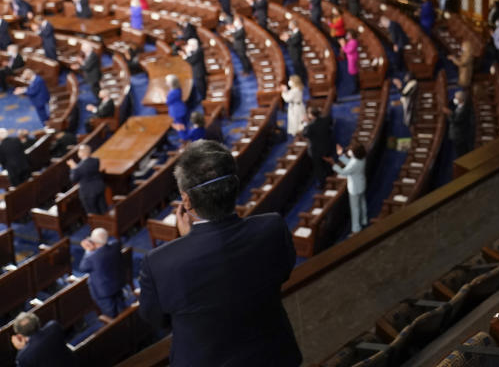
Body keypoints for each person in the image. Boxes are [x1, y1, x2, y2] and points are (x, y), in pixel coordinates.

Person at [138, 140, 302, 366]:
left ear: (186, 200)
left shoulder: (159, 263)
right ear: (235, 186)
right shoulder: (273, 228)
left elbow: (156, 319)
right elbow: (282, 272)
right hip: (274, 356)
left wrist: (189, 241)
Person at [78, 227, 125, 317]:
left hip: (104, 292)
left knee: (111, 315)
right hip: (118, 284)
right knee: (122, 307)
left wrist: (88, 250)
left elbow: (82, 267)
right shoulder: (116, 245)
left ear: (94, 242)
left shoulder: (91, 258)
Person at [10, 312, 76, 367]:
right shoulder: (54, 327)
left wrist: (21, 349)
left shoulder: (23, 356)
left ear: (20, 335)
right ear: (38, 322)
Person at [329, 144, 367, 233]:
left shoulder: (354, 163)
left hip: (354, 188)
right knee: (362, 203)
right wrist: (341, 155)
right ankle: (364, 220)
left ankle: (356, 228)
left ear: (355, 153)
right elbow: (351, 163)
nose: (349, 151)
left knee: (355, 208)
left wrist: (333, 164)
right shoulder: (362, 158)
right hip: (361, 184)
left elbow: (344, 172)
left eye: (351, 151)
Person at [303, 106, 334, 185]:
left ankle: (322, 183)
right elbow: (330, 121)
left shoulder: (310, 126)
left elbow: (305, 134)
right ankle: (331, 177)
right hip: (327, 146)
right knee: (328, 164)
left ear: (311, 115)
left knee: (318, 168)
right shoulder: (326, 119)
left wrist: (306, 123)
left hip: (316, 151)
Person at [446, 90, 474, 158]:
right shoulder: (460, 106)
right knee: (459, 152)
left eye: (456, 98)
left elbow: (456, 120)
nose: (454, 99)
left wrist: (449, 114)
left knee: (462, 153)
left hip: (461, 135)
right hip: (458, 135)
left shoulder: (465, 109)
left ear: (460, 99)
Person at [183, 38, 206, 105]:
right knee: (200, 86)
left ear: (193, 45)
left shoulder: (198, 51)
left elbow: (191, 61)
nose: (188, 46)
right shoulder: (196, 50)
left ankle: (204, 99)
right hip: (197, 72)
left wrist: (185, 56)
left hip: (199, 72)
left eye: (190, 45)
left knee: (201, 86)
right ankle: (202, 97)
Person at [339, 30, 359, 96]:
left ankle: (356, 88)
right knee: (352, 73)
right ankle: (355, 87)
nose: (347, 36)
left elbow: (348, 50)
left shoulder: (354, 41)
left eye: (348, 34)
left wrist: (343, 45)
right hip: (351, 58)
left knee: (354, 73)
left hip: (353, 58)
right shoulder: (351, 41)